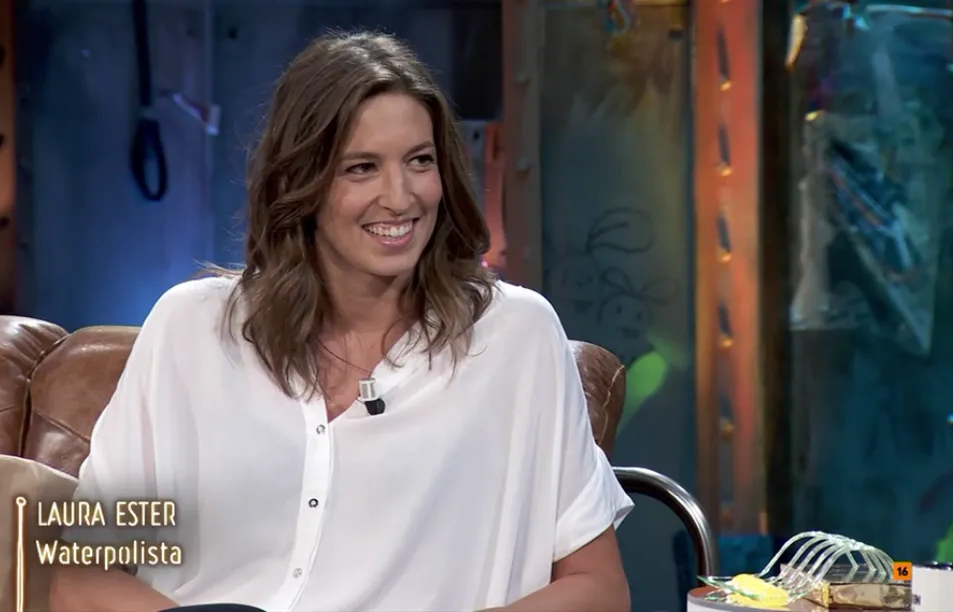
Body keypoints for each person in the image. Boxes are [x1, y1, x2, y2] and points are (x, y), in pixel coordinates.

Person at [49, 30, 633, 612]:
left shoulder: (515, 337)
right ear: (300, 181)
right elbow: (79, 576)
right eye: (361, 168)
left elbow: (600, 590)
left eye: (420, 161)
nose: (399, 197)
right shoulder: (192, 328)